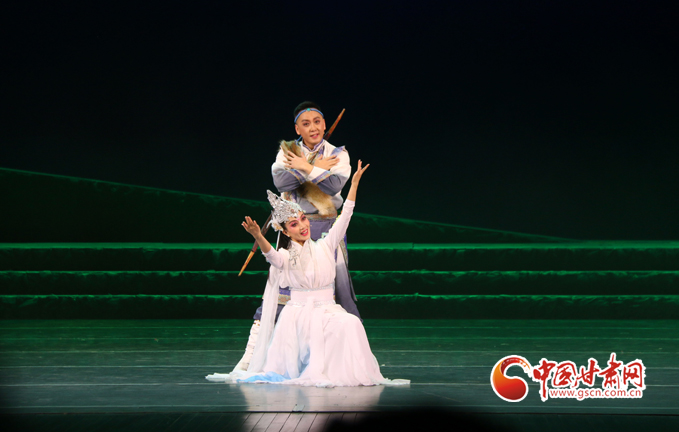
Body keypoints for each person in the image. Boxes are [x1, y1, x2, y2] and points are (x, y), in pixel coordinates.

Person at [206, 161, 408, 387]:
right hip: (299, 316)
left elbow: (345, 216)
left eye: (303, 219)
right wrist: (258, 236)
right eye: (294, 224)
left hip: (327, 310)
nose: (303, 226)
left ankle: (344, 373)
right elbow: (271, 254)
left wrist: (354, 184)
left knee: (351, 323)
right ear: (285, 232)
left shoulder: (325, 245)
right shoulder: (285, 256)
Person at [233, 101, 359, 372]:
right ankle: (252, 355)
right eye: (306, 123)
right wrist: (316, 167)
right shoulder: (286, 150)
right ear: (297, 129)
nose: (313, 127)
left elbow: (334, 185)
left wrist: (303, 166)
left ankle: (337, 362)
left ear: (324, 124)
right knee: (281, 292)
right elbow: (282, 183)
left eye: (317, 122)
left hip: (327, 229)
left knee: (334, 294)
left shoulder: (339, 153)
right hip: (292, 229)